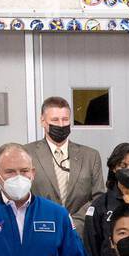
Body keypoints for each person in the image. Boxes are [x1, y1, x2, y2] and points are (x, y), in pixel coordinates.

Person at [25, 95, 105, 237]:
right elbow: (23, 195)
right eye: (55, 120)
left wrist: (74, 223)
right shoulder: (26, 154)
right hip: (40, 232)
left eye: (65, 119)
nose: (61, 125)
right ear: (42, 121)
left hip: (80, 234)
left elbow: (98, 197)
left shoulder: (90, 156)